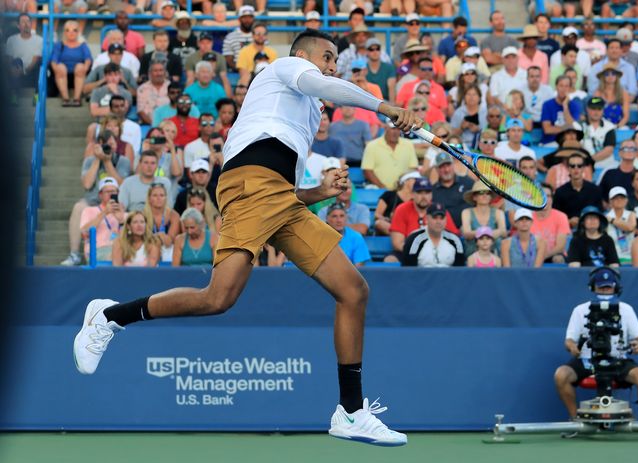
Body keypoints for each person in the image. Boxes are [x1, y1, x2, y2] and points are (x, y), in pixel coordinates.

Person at [73, 29, 422, 446]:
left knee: (353, 290)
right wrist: (385, 107)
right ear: (304, 55)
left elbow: (281, 190)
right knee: (217, 298)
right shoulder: (287, 68)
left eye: (334, 60)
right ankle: (110, 317)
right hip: (248, 186)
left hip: (279, 199)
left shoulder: (306, 113)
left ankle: (350, 411)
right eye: (327, 56)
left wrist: (317, 194)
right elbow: (316, 94)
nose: (331, 65)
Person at [554, 267, 638, 427]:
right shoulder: (580, 310)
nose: (605, 291)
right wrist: (573, 347)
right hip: (587, 360)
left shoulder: (626, 309)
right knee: (561, 375)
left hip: (617, 359)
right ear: (593, 287)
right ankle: (575, 421)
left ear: (616, 287)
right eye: (601, 287)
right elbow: (569, 340)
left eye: (608, 286)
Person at [60, 131, 133, 266]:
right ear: (98, 145)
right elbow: (87, 184)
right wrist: (98, 159)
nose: (108, 147)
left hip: (117, 199)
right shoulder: (89, 161)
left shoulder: (123, 161)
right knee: (78, 207)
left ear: (116, 144)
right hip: (93, 200)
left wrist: (107, 161)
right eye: (105, 145)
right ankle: (74, 254)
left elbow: (121, 184)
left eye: (111, 144)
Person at [402, 202, 465, 267]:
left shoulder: (456, 241)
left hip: (448, 276)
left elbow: (460, 270)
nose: (438, 222)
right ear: (426, 219)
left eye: (442, 218)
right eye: (435, 217)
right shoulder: (414, 240)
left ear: (446, 220)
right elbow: (407, 271)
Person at [79, 177, 126, 263]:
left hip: (120, 250)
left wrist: (122, 221)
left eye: (113, 192)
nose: (110, 194)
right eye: (107, 192)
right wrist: (104, 213)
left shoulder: (124, 214)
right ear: (100, 194)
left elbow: (132, 238)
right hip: (98, 250)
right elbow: (84, 233)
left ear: (118, 193)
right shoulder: (89, 210)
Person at [361, 120, 418, 189]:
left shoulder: (408, 144)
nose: (395, 132)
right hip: (380, 190)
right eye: (393, 128)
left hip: (403, 190)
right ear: (385, 128)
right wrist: (382, 187)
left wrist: (404, 187)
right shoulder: (372, 146)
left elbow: (413, 168)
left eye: (398, 129)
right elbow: (367, 170)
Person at [554, 155, 603, 229]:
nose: (576, 168)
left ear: (583, 168)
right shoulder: (560, 192)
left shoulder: (595, 190)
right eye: (573, 166)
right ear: (568, 168)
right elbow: (556, 216)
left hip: (591, 229)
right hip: (567, 230)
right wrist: (569, 221)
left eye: (579, 166)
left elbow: (600, 213)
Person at [50, 20, 91, 107]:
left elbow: (88, 58)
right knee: (60, 67)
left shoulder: (83, 45)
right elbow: (54, 60)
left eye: (74, 30)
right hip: (62, 74)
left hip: (79, 74)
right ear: (64, 32)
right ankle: (65, 99)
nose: (71, 33)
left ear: (78, 32)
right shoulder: (59, 45)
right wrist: (56, 69)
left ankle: (77, 99)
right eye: (68, 30)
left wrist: (85, 68)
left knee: (80, 67)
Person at [461, 181, 506, 259]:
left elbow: (504, 232)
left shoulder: (498, 212)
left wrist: (481, 233)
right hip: (473, 251)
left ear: (490, 196)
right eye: (481, 192)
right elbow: (466, 233)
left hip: (494, 252)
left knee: (500, 241)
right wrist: (488, 233)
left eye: (488, 193)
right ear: (474, 197)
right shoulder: (467, 212)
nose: (485, 195)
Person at [431, 152, 474, 229]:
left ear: (453, 165)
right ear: (436, 170)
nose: (446, 170)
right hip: (444, 232)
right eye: (442, 167)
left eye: (448, 165)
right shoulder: (432, 191)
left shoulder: (468, 182)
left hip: (470, 229)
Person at [184, 32, 232, 98]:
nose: (205, 45)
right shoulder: (191, 58)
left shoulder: (220, 57)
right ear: (198, 43)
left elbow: (224, 77)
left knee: (223, 78)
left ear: (212, 43)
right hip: (197, 81)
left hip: (216, 81)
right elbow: (190, 78)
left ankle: (227, 101)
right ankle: (187, 98)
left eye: (208, 42)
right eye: (202, 43)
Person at [531, 184, 571, 264]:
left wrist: (542, 256)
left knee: (558, 258)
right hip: (533, 255)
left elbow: (560, 247)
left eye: (548, 196)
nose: (544, 198)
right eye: (541, 195)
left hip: (553, 255)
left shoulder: (561, 217)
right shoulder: (528, 217)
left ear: (552, 199)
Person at [143, 183, 181, 264]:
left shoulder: (174, 215)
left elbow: (169, 240)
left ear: (166, 198)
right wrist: (160, 236)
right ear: (149, 198)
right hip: (147, 248)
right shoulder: (143, 215)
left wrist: (153, 237)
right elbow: (143, 239)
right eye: (155, 195)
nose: (158, 198)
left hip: (168, 250)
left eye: (162, 195)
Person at [373, 171, 420, 236]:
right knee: (379, 223)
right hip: (391, 226)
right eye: (415, 180)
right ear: (406, 181)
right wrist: (385, 219)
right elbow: (377, 214)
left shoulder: (418, 198)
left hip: (410, 227)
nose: (418, 183)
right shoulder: (389, 195)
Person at [324, 202, 371, 267]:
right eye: (334, 216)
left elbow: (359, 268)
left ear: (346, 218)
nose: (339, 220)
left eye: (342, 216)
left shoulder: (356, 237)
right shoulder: (321, 237)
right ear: (327, 219)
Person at [540, 76, 581, 145]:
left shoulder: (575, 105)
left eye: (566, 86)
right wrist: (567, 128)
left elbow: (574, 128)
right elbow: (547, 130)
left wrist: (565, 107)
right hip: (549, 142)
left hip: (568, 143)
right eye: (561, 86)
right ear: (556, 87)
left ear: (570, 88)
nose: (563, 89)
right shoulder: (547, 104)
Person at [5, 13, 42, 90]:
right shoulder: (11, 40)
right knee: (16, 62)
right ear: (18, 26)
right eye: (23, 22)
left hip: (31, 71)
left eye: (28, 21)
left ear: (31, 24)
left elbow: (36, 59)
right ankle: (14, 98)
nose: (26, 24)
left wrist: (24, 71)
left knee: (39, 66)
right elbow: (9, 59)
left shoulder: (39, 40)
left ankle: (36, 98)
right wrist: (13, 70)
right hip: (16, 70)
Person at [605, 186, 637, 264]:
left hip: (630, 257)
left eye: (622, 198)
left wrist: (612, 220)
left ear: (626, 200)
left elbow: (630, 227)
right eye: (616, 198)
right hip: (612, 258)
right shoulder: (605, 218)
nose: (619, 200)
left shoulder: (631, 214)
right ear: (610, 201)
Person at [222, 5, 255, 71]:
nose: (247, 20)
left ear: (253, 19)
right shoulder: (230, 37)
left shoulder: (260, 36)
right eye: (244, 17)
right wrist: (241, 70)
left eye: (250, 17)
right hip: (237, 71)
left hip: (257, 71)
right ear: (239, 19)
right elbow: (228, 59)